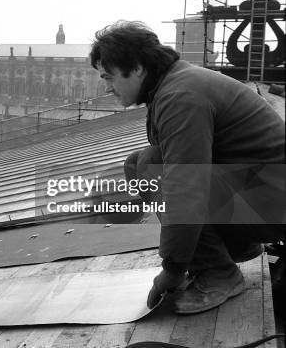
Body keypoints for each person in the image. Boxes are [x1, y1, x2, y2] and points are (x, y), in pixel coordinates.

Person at [90, 20, 285, 314]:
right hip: (268, 196)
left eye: (110, 77)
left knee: (149, 165)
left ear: (138, 68)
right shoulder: (176, 84)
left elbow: (185, 188)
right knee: (139, 163)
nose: (107, 88)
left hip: (274, 205)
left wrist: (173, 268)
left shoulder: (181, 96)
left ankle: (220, 273)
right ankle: (237, 247)